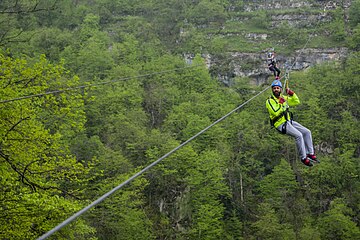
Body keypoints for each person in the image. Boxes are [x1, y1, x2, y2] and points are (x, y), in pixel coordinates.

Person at [266, 79, 317, 166]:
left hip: (289, 121)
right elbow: (275, 112)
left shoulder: (283, 98)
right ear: (272, 90)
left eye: (278, 88)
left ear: (280, 89)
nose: (276, 90)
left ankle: (310, 153)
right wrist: (281, 104)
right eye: (274, 88)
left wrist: (291, 93)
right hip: (280, 124)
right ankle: (303, 158)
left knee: (307, 132)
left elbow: (296, 101)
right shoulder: (270, 101)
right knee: (299, 135)